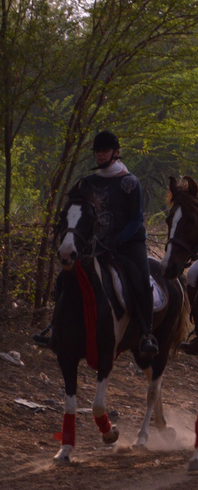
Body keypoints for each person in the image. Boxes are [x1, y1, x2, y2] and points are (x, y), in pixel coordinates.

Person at [33, 130, 159, 356]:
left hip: (129, 243)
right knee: (64, 278)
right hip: (96, 244)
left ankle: (146, 334)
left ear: (116, 152)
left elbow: (136, 219)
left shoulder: (130, 182)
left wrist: (117, 240)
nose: (100, 155)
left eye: (104, 151)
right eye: (97, 152)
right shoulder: (88, 182)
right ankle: (55, 328)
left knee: (140, 280)